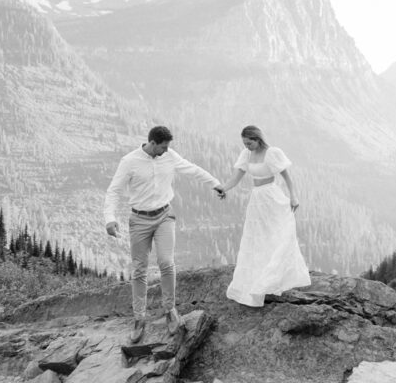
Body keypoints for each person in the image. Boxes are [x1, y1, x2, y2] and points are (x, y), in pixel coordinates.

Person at [104, 125, 226, 343]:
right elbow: (114, 190)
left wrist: (215, 184)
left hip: (164, 216)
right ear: (152, 143)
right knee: (139, 269)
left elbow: (192, 169)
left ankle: (170, 309)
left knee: (166, 263)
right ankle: (139, 318)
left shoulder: (169, 156)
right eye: (163, 146)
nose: (166, 150)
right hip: (139, 219)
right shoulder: (129, 161)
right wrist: (109, 218)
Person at [218, 125, 311, 306]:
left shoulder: (272, 153)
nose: (247, 146)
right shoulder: (246, 155)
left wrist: (293, 196)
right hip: (257, 199)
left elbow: (287, 176)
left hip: (271, 197)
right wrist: (224, 188)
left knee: (276, 235)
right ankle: (258, 280)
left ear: (257, 139)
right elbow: (236, 177)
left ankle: (273, 278)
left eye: (249, 143)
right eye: (245, 143)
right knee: (255, 238)